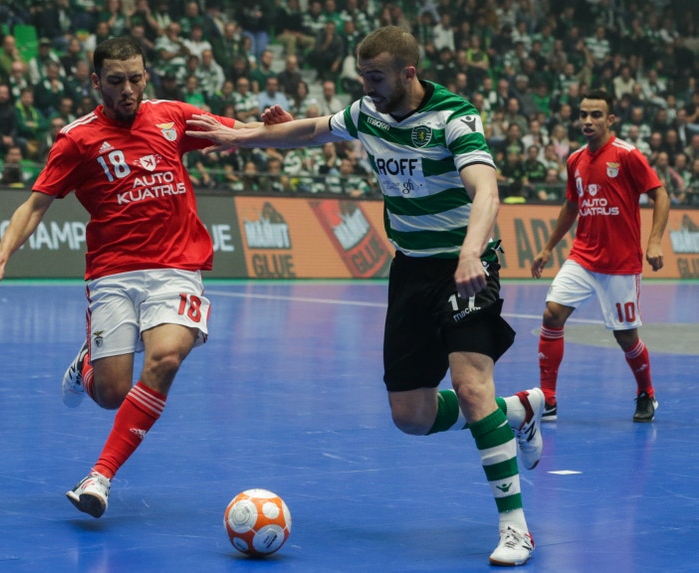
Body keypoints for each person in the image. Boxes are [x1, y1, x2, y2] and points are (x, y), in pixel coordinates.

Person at [186, 26, 542, 567]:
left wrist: (471, 251)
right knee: (411, 415)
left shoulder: (454, 116)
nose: (367, 87)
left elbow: (485, 189)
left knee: (471, 388)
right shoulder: (367, 113)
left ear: (408, 73)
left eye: (375, 77)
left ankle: (515, 527)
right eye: (362, 77)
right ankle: (517, 410)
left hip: (468, 268)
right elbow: (311, 132)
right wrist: (241, 137)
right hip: (410, 272)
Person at [0, 37, 275, 522]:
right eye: (115, 81)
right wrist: (0, 258)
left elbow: (238, 132)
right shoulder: (77, 138)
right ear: (95, 82)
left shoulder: (173, 116)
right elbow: (35, 203)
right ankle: (87, 361)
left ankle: (99, 476)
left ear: (145, 75)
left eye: (136, 78)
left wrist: (267, 129)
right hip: (113, 271)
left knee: (166, 357)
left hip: (175, 267)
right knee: (110, 393)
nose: (128, 90)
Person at [531, 89, 671, 423]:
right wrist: (548, 247)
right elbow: (571, 205)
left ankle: (646, 394)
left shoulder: (627, 155)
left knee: (625, 338)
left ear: (610, 119)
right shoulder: (575, 160)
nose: (588, 121)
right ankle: (548, 400)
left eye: (596, 115)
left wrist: (653, 242)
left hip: (621, 264)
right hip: (582, 258)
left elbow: (661, 196)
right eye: (583, 114)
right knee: (552, 315)